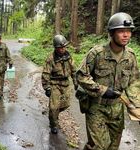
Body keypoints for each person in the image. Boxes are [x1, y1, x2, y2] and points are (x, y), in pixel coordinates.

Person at [76, 12, 140, 150]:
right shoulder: (97, 53)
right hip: (97, 108)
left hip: (117, 110)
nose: (126, 35)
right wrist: (102, 90)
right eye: (121, 31)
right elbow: (81, 76)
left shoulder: (130, 56)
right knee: (99, 147)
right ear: (112, 33)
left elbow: (133, 83)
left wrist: (137, 108)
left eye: (128, 31)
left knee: (112, 147)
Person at [41, 34, 77, 134]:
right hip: (54, 84)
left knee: (65, 105)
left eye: (64, 47)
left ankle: (54, 115)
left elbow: (74, 70)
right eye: (60, 47)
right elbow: (46, 74)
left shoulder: (69, 56)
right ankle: (53, 124)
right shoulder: (50, 59)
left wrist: (76, 82)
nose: (63, 49)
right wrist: (47, 87)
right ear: (56, 48)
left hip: (65, 83)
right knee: (53, 107)